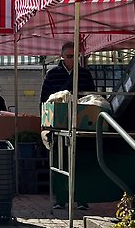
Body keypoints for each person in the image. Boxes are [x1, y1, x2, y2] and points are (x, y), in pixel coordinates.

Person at [39, 41, 96, 210]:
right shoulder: (52, 75)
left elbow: (92, 97)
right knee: (59, 161)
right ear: (62, 56)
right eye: (70, 56)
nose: (73, 59)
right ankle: (61, 198)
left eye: (76, 56)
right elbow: (44, 100)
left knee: (82, 161)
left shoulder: (84, 74)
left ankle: (82, 198)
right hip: (58, 125)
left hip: (81, 123)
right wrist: (44, 123)